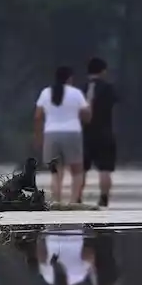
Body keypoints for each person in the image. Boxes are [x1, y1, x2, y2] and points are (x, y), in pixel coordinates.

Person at [34, 66, 91, 204]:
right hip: (72, 133)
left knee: (56, 173)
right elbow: (86, 116)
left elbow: (38, 116)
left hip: (51, 134)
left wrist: (38, 137)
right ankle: (73, 202)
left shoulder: (46, 93)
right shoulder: (76, 93)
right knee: (77, 171)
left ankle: (57, 202)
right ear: (70, 78)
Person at [82, 57, 120, 208]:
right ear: (103, 71)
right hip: (105, 132)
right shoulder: (108, 88)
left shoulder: (81, 89)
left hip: (85, 134)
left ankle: (77, 196)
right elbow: (116, 101)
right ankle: (103, 198)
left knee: (81, 169)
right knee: (105, 169)